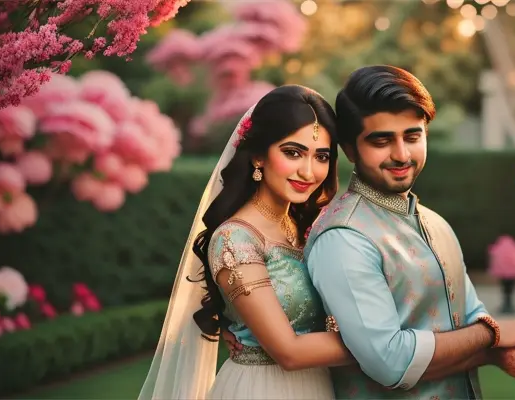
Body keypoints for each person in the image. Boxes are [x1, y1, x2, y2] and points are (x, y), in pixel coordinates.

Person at [302, 65, 515, 399]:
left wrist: (496, 340)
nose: (401, 154)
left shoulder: (435, 224)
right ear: (349, 149)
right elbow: (391, 363)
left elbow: (471, 316)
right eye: (382, 140)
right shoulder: (343, 237)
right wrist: (491, 336)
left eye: (412, 136)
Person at [138, 85, 355, 400]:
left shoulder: (305, 226)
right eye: (293, 152)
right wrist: (383, 342)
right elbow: (289, 352)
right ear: (258, 156)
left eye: (321, 156)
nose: (309, 171)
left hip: (318, 384)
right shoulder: (234, 239)